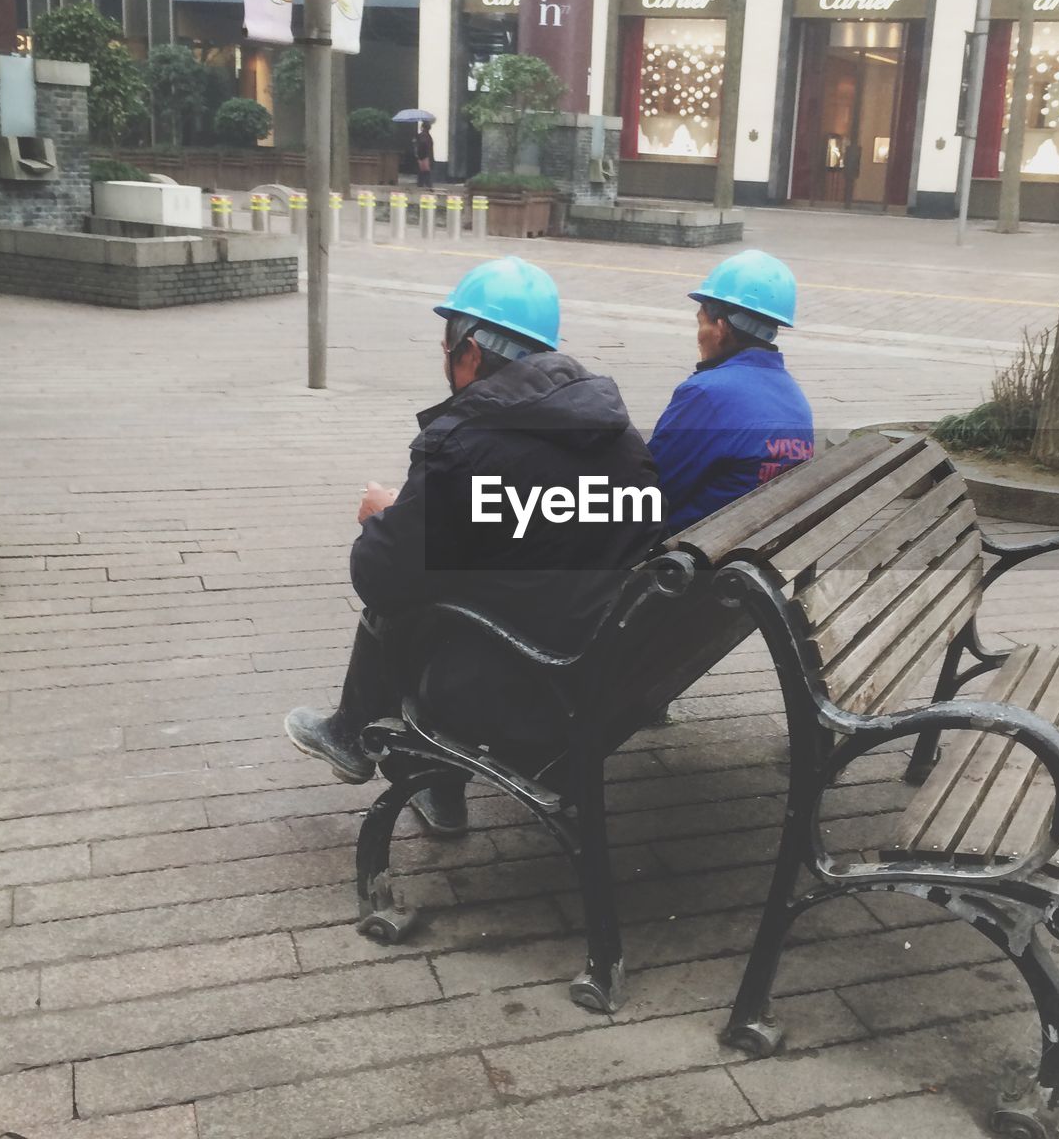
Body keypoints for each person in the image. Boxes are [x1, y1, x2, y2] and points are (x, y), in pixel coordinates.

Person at [285, 258, 662, 834]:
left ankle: (357, 737)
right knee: (443, 565)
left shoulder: (468, 442)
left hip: (528, 683)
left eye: (446, 345)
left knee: (409, 592)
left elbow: (380, 576)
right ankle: (418, 778)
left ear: (470, 352)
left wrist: (384, 519)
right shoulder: (619, 433)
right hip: (614, 663)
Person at [648, 250, 815, 534]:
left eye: (701, 322)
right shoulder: (794, 397)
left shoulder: (706, 395)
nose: (699, 335)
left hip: (690, 559)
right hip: (753, 548)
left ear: (721, 328)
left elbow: (651, 492)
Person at [415, 121, 434, 189]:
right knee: (426, 172)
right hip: (428, 156)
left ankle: (422, 185)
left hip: (423, 157)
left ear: (423, 127)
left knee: (423, 172)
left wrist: (419, 156)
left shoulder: (422, 136)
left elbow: (421, 146)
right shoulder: (429, 136)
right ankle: (428, 185)